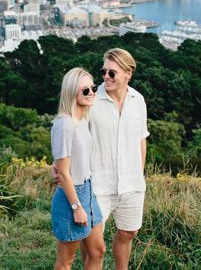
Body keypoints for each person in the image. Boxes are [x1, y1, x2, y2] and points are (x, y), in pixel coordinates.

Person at [54, 48, 149, 270]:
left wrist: (140, 174)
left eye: (112, 73)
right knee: (92, 245)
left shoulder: (138, 101)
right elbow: (70, 131)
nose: (106, 77)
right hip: (98, 185)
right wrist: (56, 163)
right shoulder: (91, 99)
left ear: (128, 74)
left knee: (129, 232)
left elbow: (141, 139)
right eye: (104, 71)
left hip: (132, 184)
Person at [51, 67, 106, 270]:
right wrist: (76, 207)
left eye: (92, 87)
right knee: (66, 262)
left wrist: (55, 164)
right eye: (85, 90)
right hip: (72, 197)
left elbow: (64, 157)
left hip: (88, 191)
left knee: (97, 251)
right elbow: (64, 173)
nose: (91, 92)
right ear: (71, 92)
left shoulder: (82, 119)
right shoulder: (64, 123)